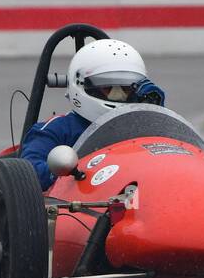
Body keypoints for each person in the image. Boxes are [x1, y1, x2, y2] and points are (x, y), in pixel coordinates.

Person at [20, 39, 166, 190]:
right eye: (108, 87)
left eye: (126, 88)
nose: (118, 95)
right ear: (82, 85)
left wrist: (156, 120)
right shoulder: (58, 129)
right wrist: (73, 171)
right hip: (80, 206)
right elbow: (29, 174)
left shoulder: (141, 127)